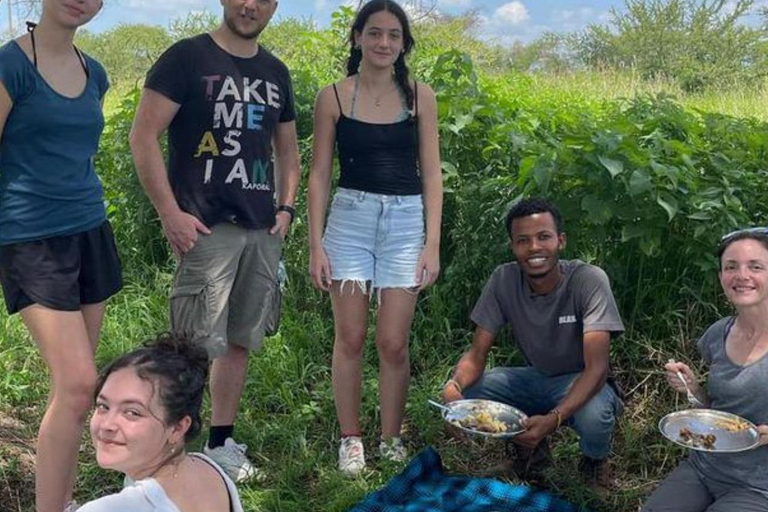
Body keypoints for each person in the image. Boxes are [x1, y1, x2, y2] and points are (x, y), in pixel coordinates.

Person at [129, 0, 300, 483]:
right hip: (205, 228)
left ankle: (221, 444)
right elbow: (142, 136)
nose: (251, 5)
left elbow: (288, 151)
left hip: (261, 229)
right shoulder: (185, 58)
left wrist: (285, 210)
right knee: (191, 348)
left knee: (240, 341)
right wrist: (169, 213)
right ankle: (163, 456)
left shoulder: (275, 72)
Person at [307, 0, 443, 476]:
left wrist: (432, 243)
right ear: (357, 37)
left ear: (404, 44)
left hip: (406, 224)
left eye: (393, 35)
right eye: (375, 33)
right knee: (351, 336)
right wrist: (316, 243)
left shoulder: (421, 96)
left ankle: (391, 438)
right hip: (349, 221)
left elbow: (432, 175)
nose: (384, 43)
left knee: (392, 341)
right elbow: (320, 174)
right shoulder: (335, 97)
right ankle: (351, 440)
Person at [0, 1, 122, 511]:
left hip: (89, 230)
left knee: (75, 390)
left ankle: (64, 500)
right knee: (78, 385)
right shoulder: (11, 65)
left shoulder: (95, 73)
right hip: (30, 238)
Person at [441, 198, 624, 488]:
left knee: (595, 415)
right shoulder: (504, 279)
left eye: (544, 237)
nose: (534, 248)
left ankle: (594, 464)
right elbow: (477, 354)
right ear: (513, 246)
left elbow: (597, 369)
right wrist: (453, 388)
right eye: (523, 240)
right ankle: (529, 455)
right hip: (536, 376)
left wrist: (553, 420)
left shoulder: (588, 280)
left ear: (561, 241)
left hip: (582, 379)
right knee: (473, 390)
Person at [641, 228, 768, 512]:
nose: (741, 275)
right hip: (705, 467)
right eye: (731, 267)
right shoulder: (717, 334)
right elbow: (717, 413)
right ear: (721, 276)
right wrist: (692, 388)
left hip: (759, 486)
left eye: (755, 266)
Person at [79, 335, 244, 512]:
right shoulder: (211, 472)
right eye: (103, 406)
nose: (107, 425)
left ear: (178, 428)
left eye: (132, 413)